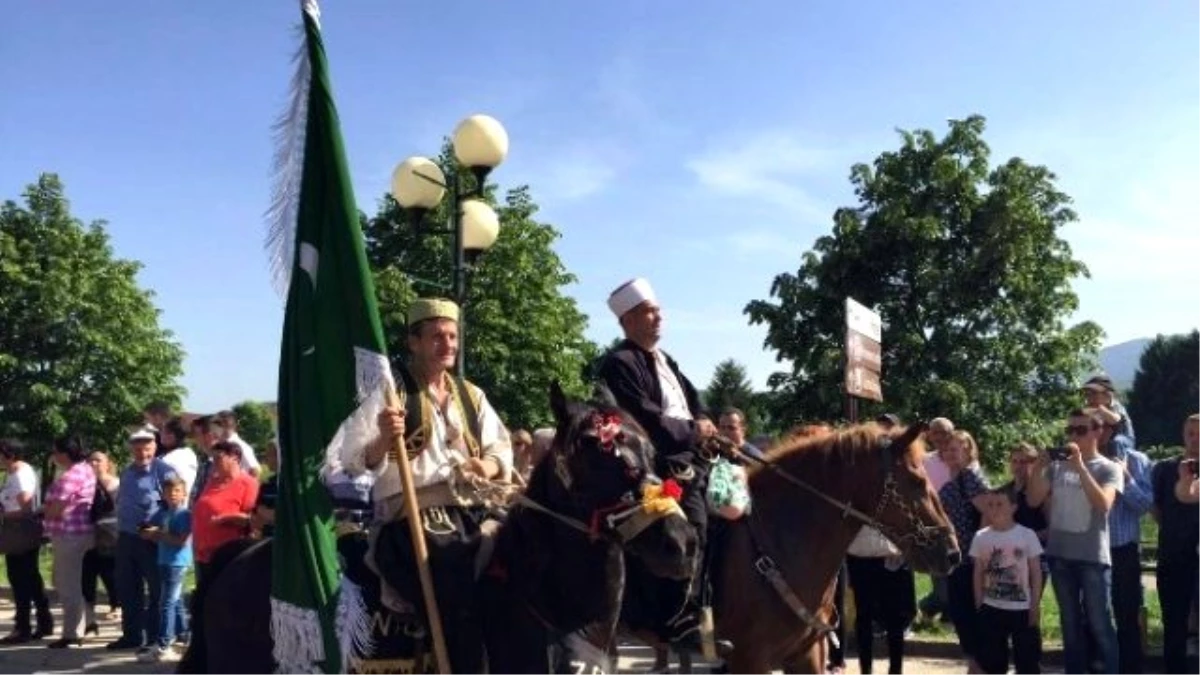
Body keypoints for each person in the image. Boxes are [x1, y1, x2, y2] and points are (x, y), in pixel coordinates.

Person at [363, 298, 512, 675]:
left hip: (475, 504)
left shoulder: (471, 395)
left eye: (452, 336)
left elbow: (500, 445)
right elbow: (356, 460)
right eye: (436, 337)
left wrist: (488, 464)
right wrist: (382, 438)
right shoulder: (388, 392)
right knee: (451, 563)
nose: (447, 344)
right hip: (412, 512)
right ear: (413, 342)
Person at [596, 278, 719, 655]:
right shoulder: (620, 363)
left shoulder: (668, 361)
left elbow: (693, 400)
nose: (659, 317)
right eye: (650, 311)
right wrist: (691, 431)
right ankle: (676, 618)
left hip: (694, 458)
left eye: (658, 310)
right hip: (655, 465)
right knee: (691, 526)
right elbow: (644, 417)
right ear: (628, 320)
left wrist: (706, 424)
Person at [1026, 408, 1122, 675]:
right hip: (1060, 556)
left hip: (1093, 558)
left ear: (1097, 432)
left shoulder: (1108, 467)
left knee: (1100, 625)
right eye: (1070, 430)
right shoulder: (1056, 467)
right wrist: (1039, 468)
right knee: (1070, 627)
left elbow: (1103, 505)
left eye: (1080, 430)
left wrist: (1080, 466)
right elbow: (1033, 500)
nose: (1073, 436)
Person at [107, 428, 179, 652]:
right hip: (126, 537)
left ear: (154, 448)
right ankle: (131, 635)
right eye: (137, 448)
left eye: (146, 448)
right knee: (127, 588)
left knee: (157, 590)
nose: (142, 453)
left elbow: (175, 506)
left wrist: (160, 530)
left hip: (151, 539)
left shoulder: (165, 472)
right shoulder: (127, 471)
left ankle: (156, 637)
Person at [970, 487, 1044, 675]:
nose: (994, 509)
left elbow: (1036, 572)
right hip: (991, 608)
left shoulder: (1027, 535)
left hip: (1021, 609)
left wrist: (1034, 604)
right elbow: (978, 571)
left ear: (1013, 507)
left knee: (1027, 661)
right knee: (993, 661)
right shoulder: (981, 537)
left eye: (1000, 504)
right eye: (990, 505)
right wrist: (979, 601)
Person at [937, 430, 989, 674]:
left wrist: (977, 549)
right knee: (960, 612)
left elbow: (988, 511)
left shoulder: (968, 476)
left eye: (955, 449)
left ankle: (977, 666)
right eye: (946, 450)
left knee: (966, 612)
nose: (950, 454)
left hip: (970, 558)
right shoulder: (953, 479)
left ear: (968, 450)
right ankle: (974, 664)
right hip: (956, 556)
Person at [43, 435, 97, 649]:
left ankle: (71, 633)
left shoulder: (70, 477)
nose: (53, 456)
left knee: (68, 586)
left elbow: (57, 509)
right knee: (66, 581)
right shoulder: (85, 469)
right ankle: (84, 624)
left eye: (55, 452)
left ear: (64, 454)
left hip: (69, 534)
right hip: (79, 533)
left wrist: (44, 512)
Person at [0, 438, 52, 642]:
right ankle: (43, 621)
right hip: (18, 531)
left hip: (20, 532)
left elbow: (26, 508)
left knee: (21, 579)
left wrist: (3, 516)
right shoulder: (14, 473)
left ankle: (23, 627)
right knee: (30, 578)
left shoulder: (20, 475)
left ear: (9, 455)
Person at [846, 525, 914, 675]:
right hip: (859, 558)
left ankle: (896, 670)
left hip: (890, 558)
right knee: (864, 620)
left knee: (895, 620)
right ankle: (866, 670)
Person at [137, 476, 191, 664]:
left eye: (177, 491)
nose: (172, 495)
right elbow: (160, 534)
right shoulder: (165, 513)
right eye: (168, 492)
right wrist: (149, 533)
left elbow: (181, 541)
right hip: (164, 561)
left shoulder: (183, 515)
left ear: (184, 494)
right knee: (175, 603)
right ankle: (184, 637)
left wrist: (159, 534)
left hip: (176, 563)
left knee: (166, 603)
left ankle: (163, 645)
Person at [1162, 413, 1200, 674]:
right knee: (1174, 626)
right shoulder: (1164, 468)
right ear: (1183, 435)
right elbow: (1154, 506)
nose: (1195, 440)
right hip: (1173, 557)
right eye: (1191, 434)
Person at [83, 450, 119, 633]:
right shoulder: (85, 485)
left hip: (110, 538)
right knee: (87, 575)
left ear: (107, 463)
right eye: (91, 461)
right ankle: (89, 615)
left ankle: (116, 605)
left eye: (98, 460)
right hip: (89, 537)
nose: (94, 464)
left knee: (110, 574)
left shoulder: (117, 484)